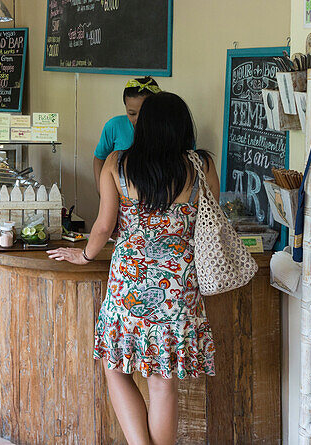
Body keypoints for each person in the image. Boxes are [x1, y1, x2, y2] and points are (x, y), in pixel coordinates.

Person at [49, 92, 216, 445]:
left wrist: (85, 256)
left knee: (115, 367)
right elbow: (213, 220)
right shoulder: (200, 166)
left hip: (129, 284)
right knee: (163, 380)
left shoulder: (117, 164)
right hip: (178, 288)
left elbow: (103, 226)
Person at [92, 77, 162, 200]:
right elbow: (99, 158)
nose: (139, 120)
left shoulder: (169, 131)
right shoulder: (114, 126)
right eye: (132, 113)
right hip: (120, 200)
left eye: (145, 113)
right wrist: (101, 189)